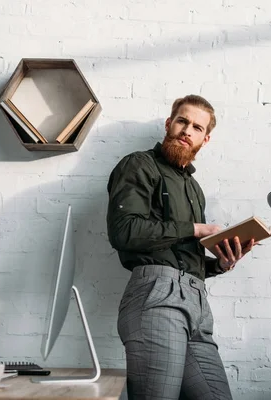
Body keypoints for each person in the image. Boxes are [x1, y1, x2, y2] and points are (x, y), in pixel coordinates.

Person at [106, 95, 254, 400]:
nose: (187, 130)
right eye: (182, 121)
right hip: (157, 298)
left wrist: (220, 264)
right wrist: (197, 228)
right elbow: (124, 232)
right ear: (169, 124)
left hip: (197, 305)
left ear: (205, 138)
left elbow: (183, 255)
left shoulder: (194, 189)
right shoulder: (140, 164)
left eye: (197, 127)